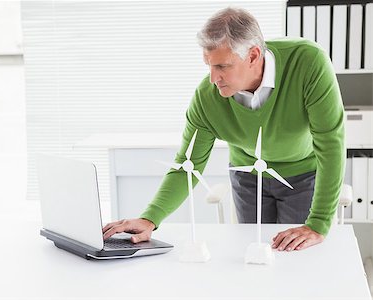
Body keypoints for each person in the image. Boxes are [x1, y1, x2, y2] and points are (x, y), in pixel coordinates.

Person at [103, 7, 345, 252]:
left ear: (253, 56)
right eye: (209, 66)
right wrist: (150, 219)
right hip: (248, 176)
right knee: (254, 253)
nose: (213, 78)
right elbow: (187, 165)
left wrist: (319, 223)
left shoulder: (308, 62)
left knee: (299, 257)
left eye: (222, 66)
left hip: (304, 174)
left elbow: (331, 144)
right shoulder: (207, 98)